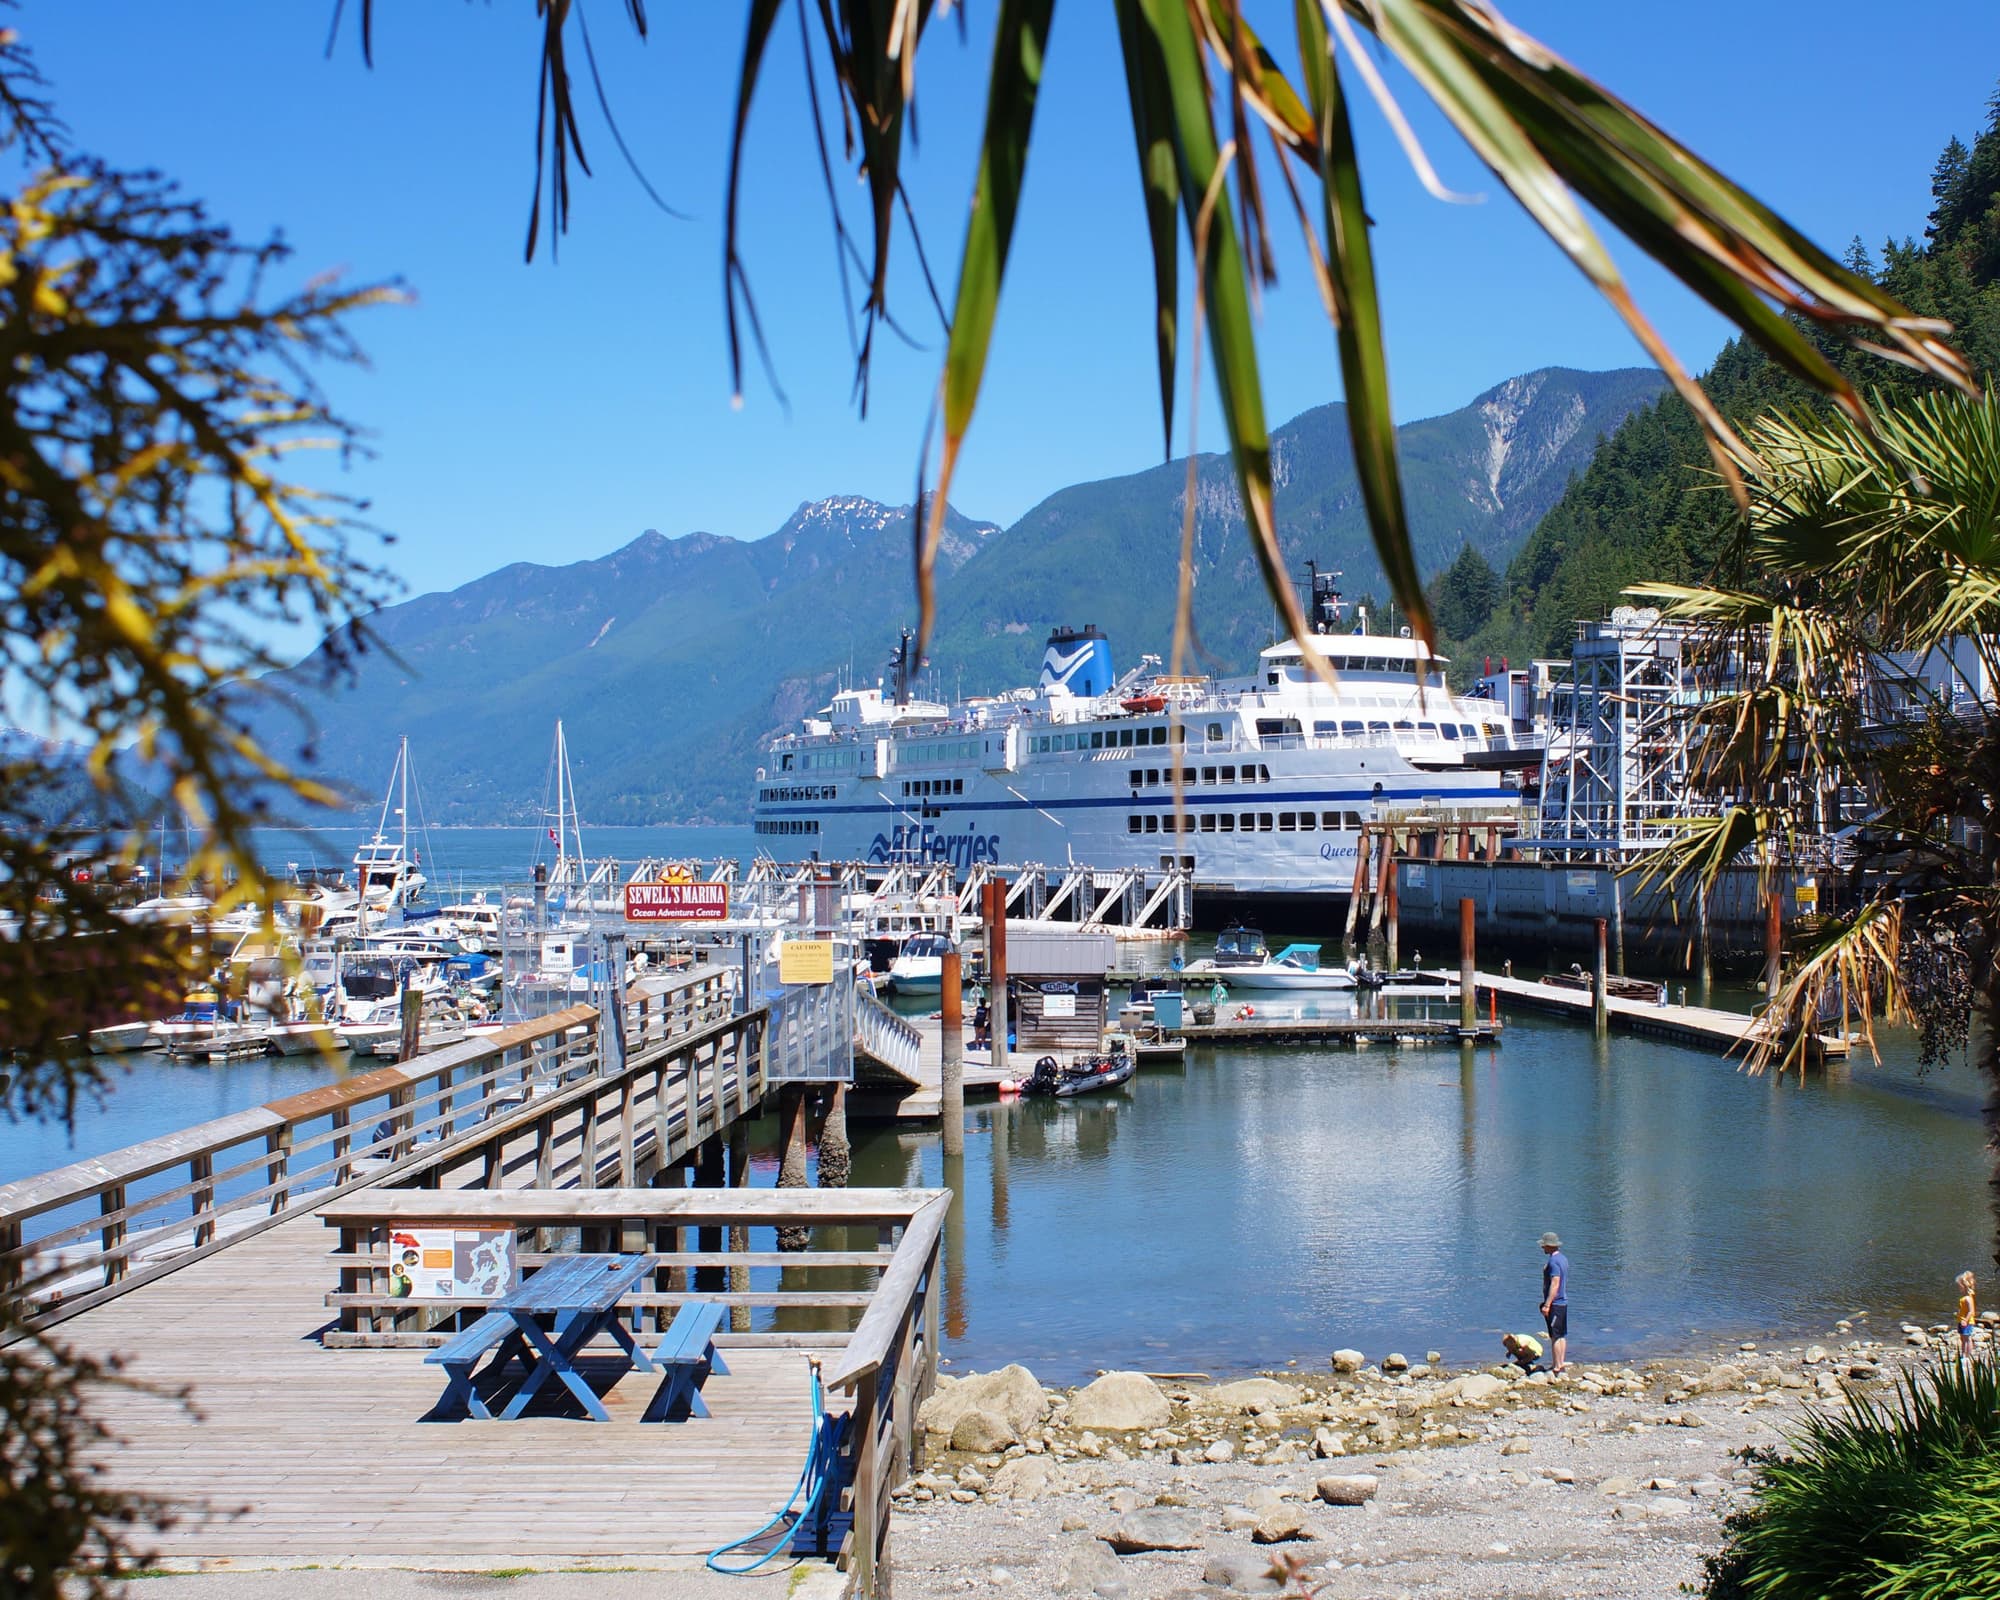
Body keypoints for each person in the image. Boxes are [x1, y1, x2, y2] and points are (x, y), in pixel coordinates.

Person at [1539, 1231, 1569, 1375]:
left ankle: (1557, 1367)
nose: (1542, 1248)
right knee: (1561, 1335)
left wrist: (1547, 1304)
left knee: (1555, 1336)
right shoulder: (1563, 1259)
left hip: (1555, 1304)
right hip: (1562, 1303)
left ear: (1549, 1246)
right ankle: (1560, 1363)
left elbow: (1555, 1283)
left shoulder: (1553, 1262)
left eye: (1544, 1245)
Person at [1958, 1270, 1978, 1359]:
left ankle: (1967, 1355)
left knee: (1967, 1339)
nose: (1959, 1288)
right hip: (1962, 1320)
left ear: (1964, 1286)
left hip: (1967, 1322)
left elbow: (1971, 1311)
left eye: (1960, 1286)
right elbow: (1964, 1309)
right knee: (1963, 1338)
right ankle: (1963, 1354)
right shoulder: (1964, 1298)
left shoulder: (1968, 1298)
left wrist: (1966, 1320)